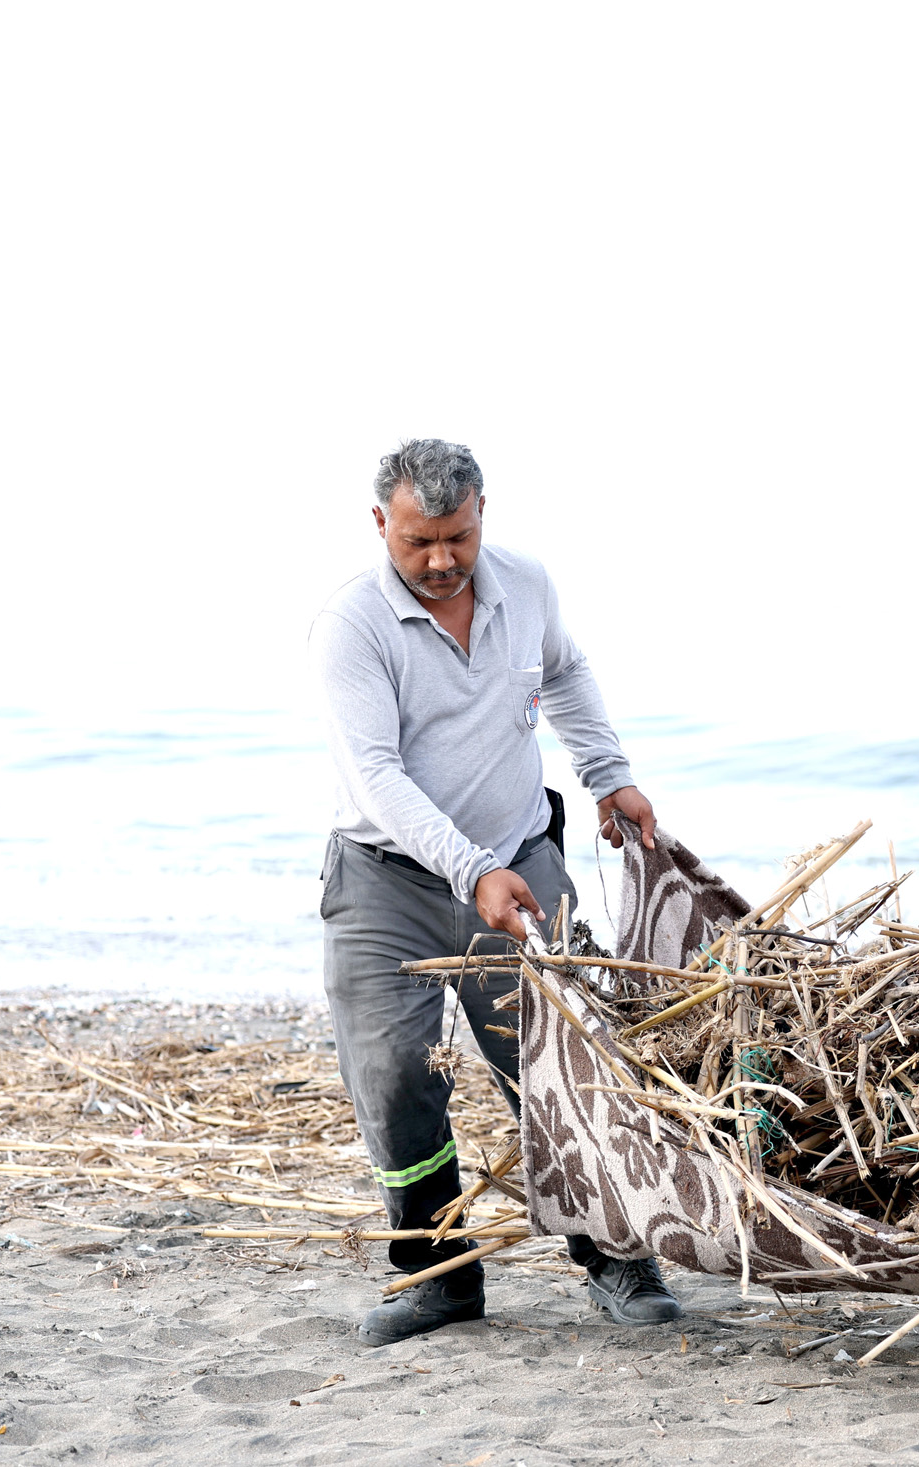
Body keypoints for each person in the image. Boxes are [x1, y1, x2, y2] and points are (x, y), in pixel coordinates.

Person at [310, 438, 683, 1345]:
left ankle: (616, 1255)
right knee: (394, 1078)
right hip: (383, 884)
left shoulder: (527, 586)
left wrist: (609, 774)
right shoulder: (351, 626)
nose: (440, 560)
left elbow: (565, 671)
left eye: (457, 537)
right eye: (417, 542)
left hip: (523, 861)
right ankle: (438, 1277)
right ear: (379, 526)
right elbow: (376, 776)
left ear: (483, 514)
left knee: (556, 1061)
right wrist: (469, 867)